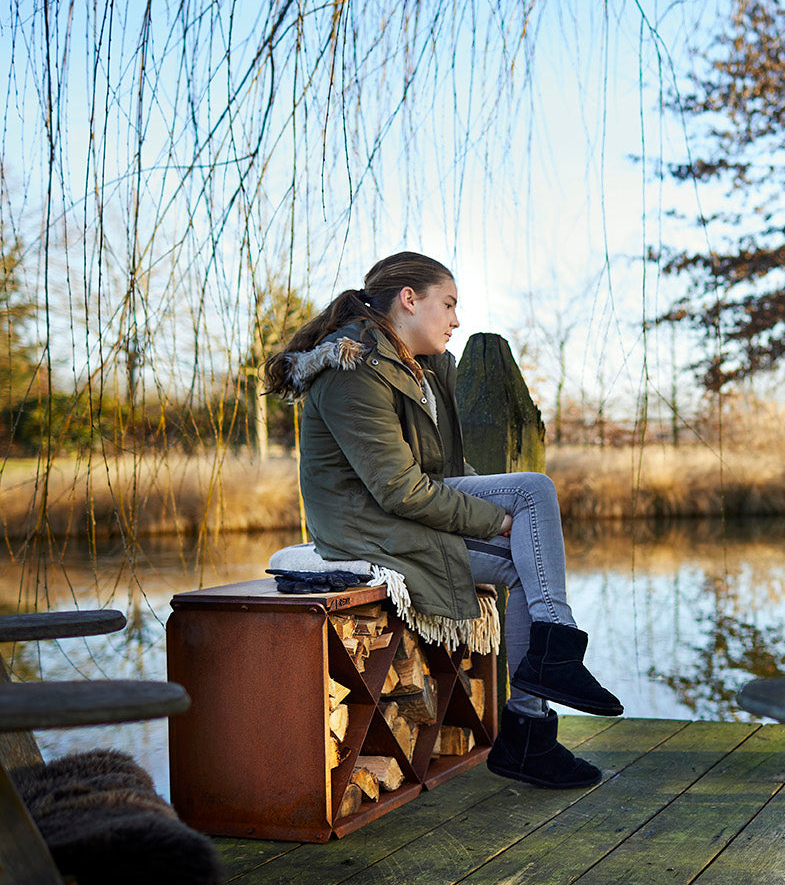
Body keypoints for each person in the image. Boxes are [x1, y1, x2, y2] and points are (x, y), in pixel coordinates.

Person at [263, 250, 622, 789]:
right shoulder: (353, 370)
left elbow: (447, 471)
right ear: (409, 300)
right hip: (365, 525)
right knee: (532, 492)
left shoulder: (419, 368)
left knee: (527, 554)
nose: (456, 320)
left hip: (399, 514)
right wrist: (495, 519)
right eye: (448, 304)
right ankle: (549, 675)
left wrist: (498, 510)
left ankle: (531, 721)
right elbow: (398, 488)